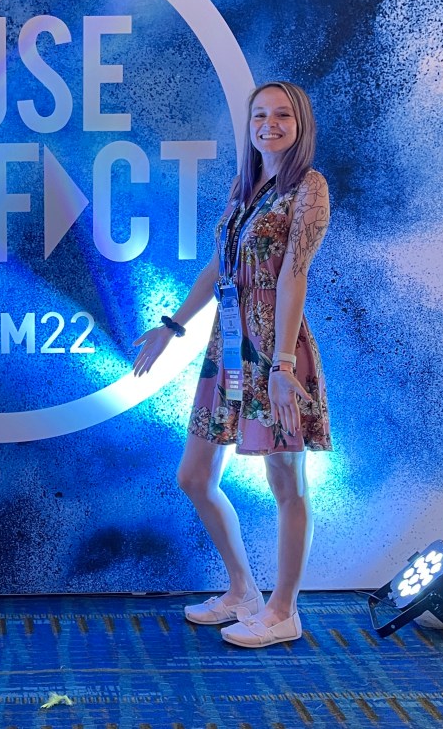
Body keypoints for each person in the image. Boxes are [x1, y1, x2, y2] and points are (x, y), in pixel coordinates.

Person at [134, 81, 331, 648]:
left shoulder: (309, 187)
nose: (270, 124)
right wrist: (172, 326)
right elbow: (219, 269)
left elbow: (294, 275)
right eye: (260, 115)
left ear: (300, 123)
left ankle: (283, 611)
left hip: (275, 350)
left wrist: (282, 365)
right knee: (195, 477)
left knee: (286, 480)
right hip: (226, 348)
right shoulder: (245, 185)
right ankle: (243, 590)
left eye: (282, 115)